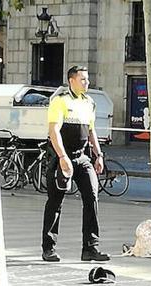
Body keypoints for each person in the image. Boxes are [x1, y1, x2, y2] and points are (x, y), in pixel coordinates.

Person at [41, 65, 108, 262]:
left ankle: (90, 248)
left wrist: (99, 155)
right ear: (72, 81)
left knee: (92, 197)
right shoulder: (60, 102)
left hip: (82, 157)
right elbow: (54, 132)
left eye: (87, 79)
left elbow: (90, 131)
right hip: (61, 157)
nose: (87, 83)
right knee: (55, 202)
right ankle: (48, 248)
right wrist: (62, 159)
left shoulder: (89, 102)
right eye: (83, 79)